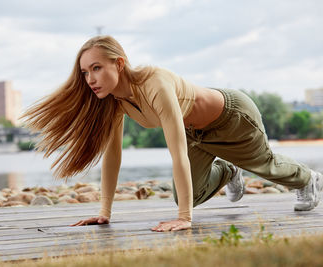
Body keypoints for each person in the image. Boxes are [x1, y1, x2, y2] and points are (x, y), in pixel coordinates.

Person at [22, 35, 323, 232]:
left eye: (96, 68)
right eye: (85, 72)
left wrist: (184, 219)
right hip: (196, 133)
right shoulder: (115, 101)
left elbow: (177, 153)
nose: (90, 79)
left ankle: (309, 178)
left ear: (120, 63)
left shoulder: (155, 84)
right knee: (185, 195)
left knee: (264, 164)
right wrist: (105, 211)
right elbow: (113, 155)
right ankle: (228, 171)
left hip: (232, 117)